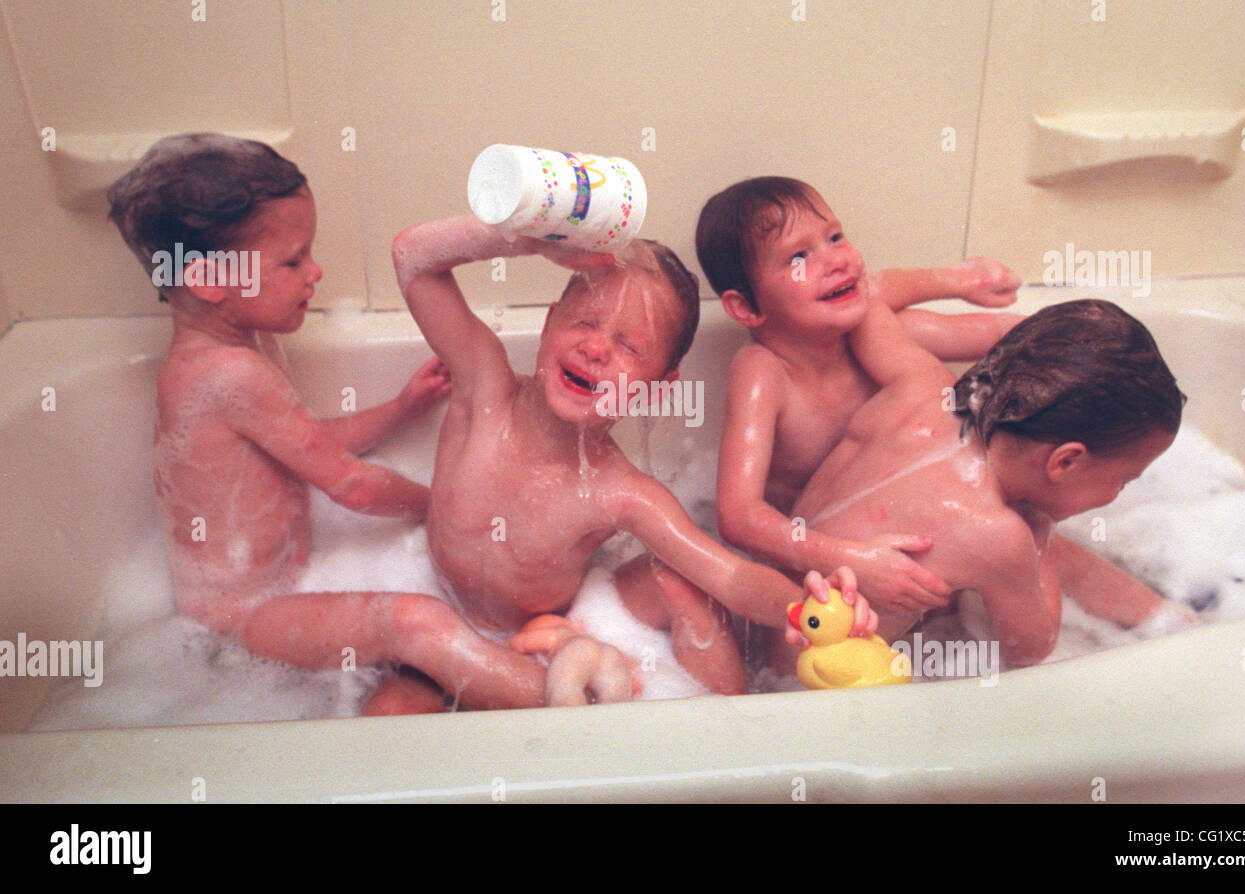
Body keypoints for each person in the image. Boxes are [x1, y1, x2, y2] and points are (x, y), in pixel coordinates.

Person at [108, 133, 544, 713]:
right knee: (414, 621)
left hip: (282, 589)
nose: (315, 272)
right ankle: (573, 710)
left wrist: (399, 409)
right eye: (292, 260)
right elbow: (354, 486)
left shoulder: (244, 348)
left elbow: (304, 445)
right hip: (239, 622)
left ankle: (428, 693)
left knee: (414, 645)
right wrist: (449, 506)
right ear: (209, 280)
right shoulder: (222, 372)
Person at [392, 216, 806, 696]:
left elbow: (729, 576)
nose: (595, 348)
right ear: (548, 325)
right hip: (437, 619)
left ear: (656, 391)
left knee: (679, 588)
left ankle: (733, 744)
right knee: (391, 719)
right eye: (585, 322)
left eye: (629, 346)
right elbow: (413, 259)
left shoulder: (621, 492)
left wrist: (809, 609)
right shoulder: (484, 386)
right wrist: (526, 241)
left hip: (540, 649)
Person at [790, 297, 1191, 666]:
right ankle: (1180, 628)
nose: (1117, 493)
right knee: (1041, 548)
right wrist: (1038, 527)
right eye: (1123, 480)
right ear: (1066, 461)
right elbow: (1029, 650)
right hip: (813, 681)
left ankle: (1168, 621)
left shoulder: (921, 383)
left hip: (779, 599)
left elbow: (867, 301)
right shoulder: (999, 536)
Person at [698, 176, 1022, 617]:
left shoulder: (879, 335)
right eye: (798, 257)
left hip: (912, 530)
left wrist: (964, 282)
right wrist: (848, 558)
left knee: (1030, 541)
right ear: (747, 309)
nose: (837, 260)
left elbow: (1008, 339)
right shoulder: (766, 373)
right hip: (822, 564)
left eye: (835, 236)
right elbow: (738, 516)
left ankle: (1145, 621)